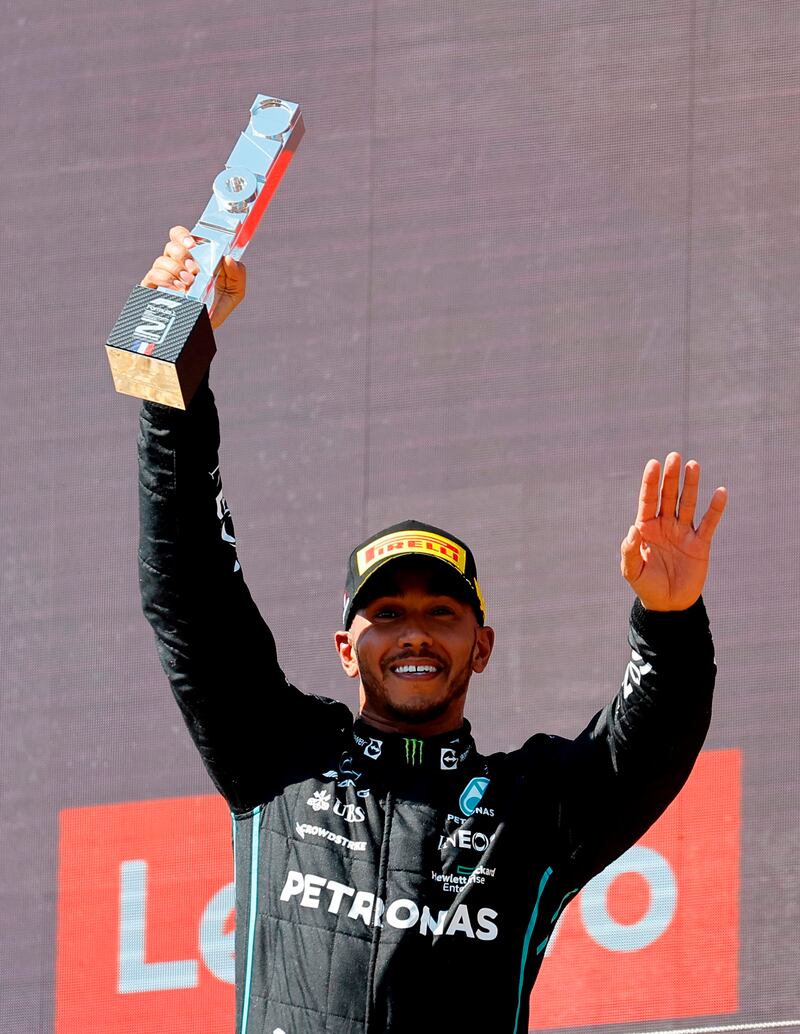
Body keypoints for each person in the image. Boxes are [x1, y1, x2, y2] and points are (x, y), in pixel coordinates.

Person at [137, 227, 728, 1034]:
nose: (414, 633)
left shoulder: (533, 809)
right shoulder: (280, 757)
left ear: (481, 647)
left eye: (441, 614)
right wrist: (173, 384)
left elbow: (649, 745)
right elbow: (190, 590)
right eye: (386, 614)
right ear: (348, 648)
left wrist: (668, 618)